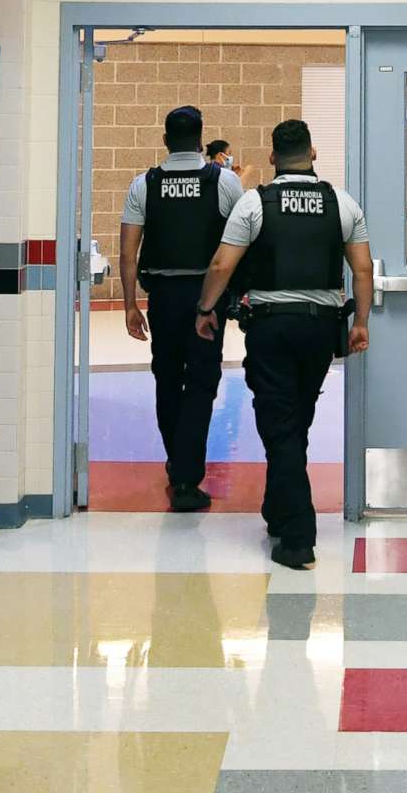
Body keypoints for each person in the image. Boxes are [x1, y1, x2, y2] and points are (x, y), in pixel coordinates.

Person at [192, 119, 373, 569]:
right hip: (321, 329)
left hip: (272, 328)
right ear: (313, 154)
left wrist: (205, 309)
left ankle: (297, 538)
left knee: (281, 426)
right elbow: (363, 270)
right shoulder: (341, 203)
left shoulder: (255, 203)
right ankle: (277, 510)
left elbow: (221, 263)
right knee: (293, 424)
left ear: (272, 158)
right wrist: (362, 322)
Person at [119, 105, 244, 512]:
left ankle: (179, 464)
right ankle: (187, 476)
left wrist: (130, 306)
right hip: (207, 298)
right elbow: (239, 246)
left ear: (165, 140)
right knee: (203, 382)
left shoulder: (145, 184)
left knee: (167, 378)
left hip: (164, 297)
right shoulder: (223, 181)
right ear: (201, 138)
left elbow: (128, 252)